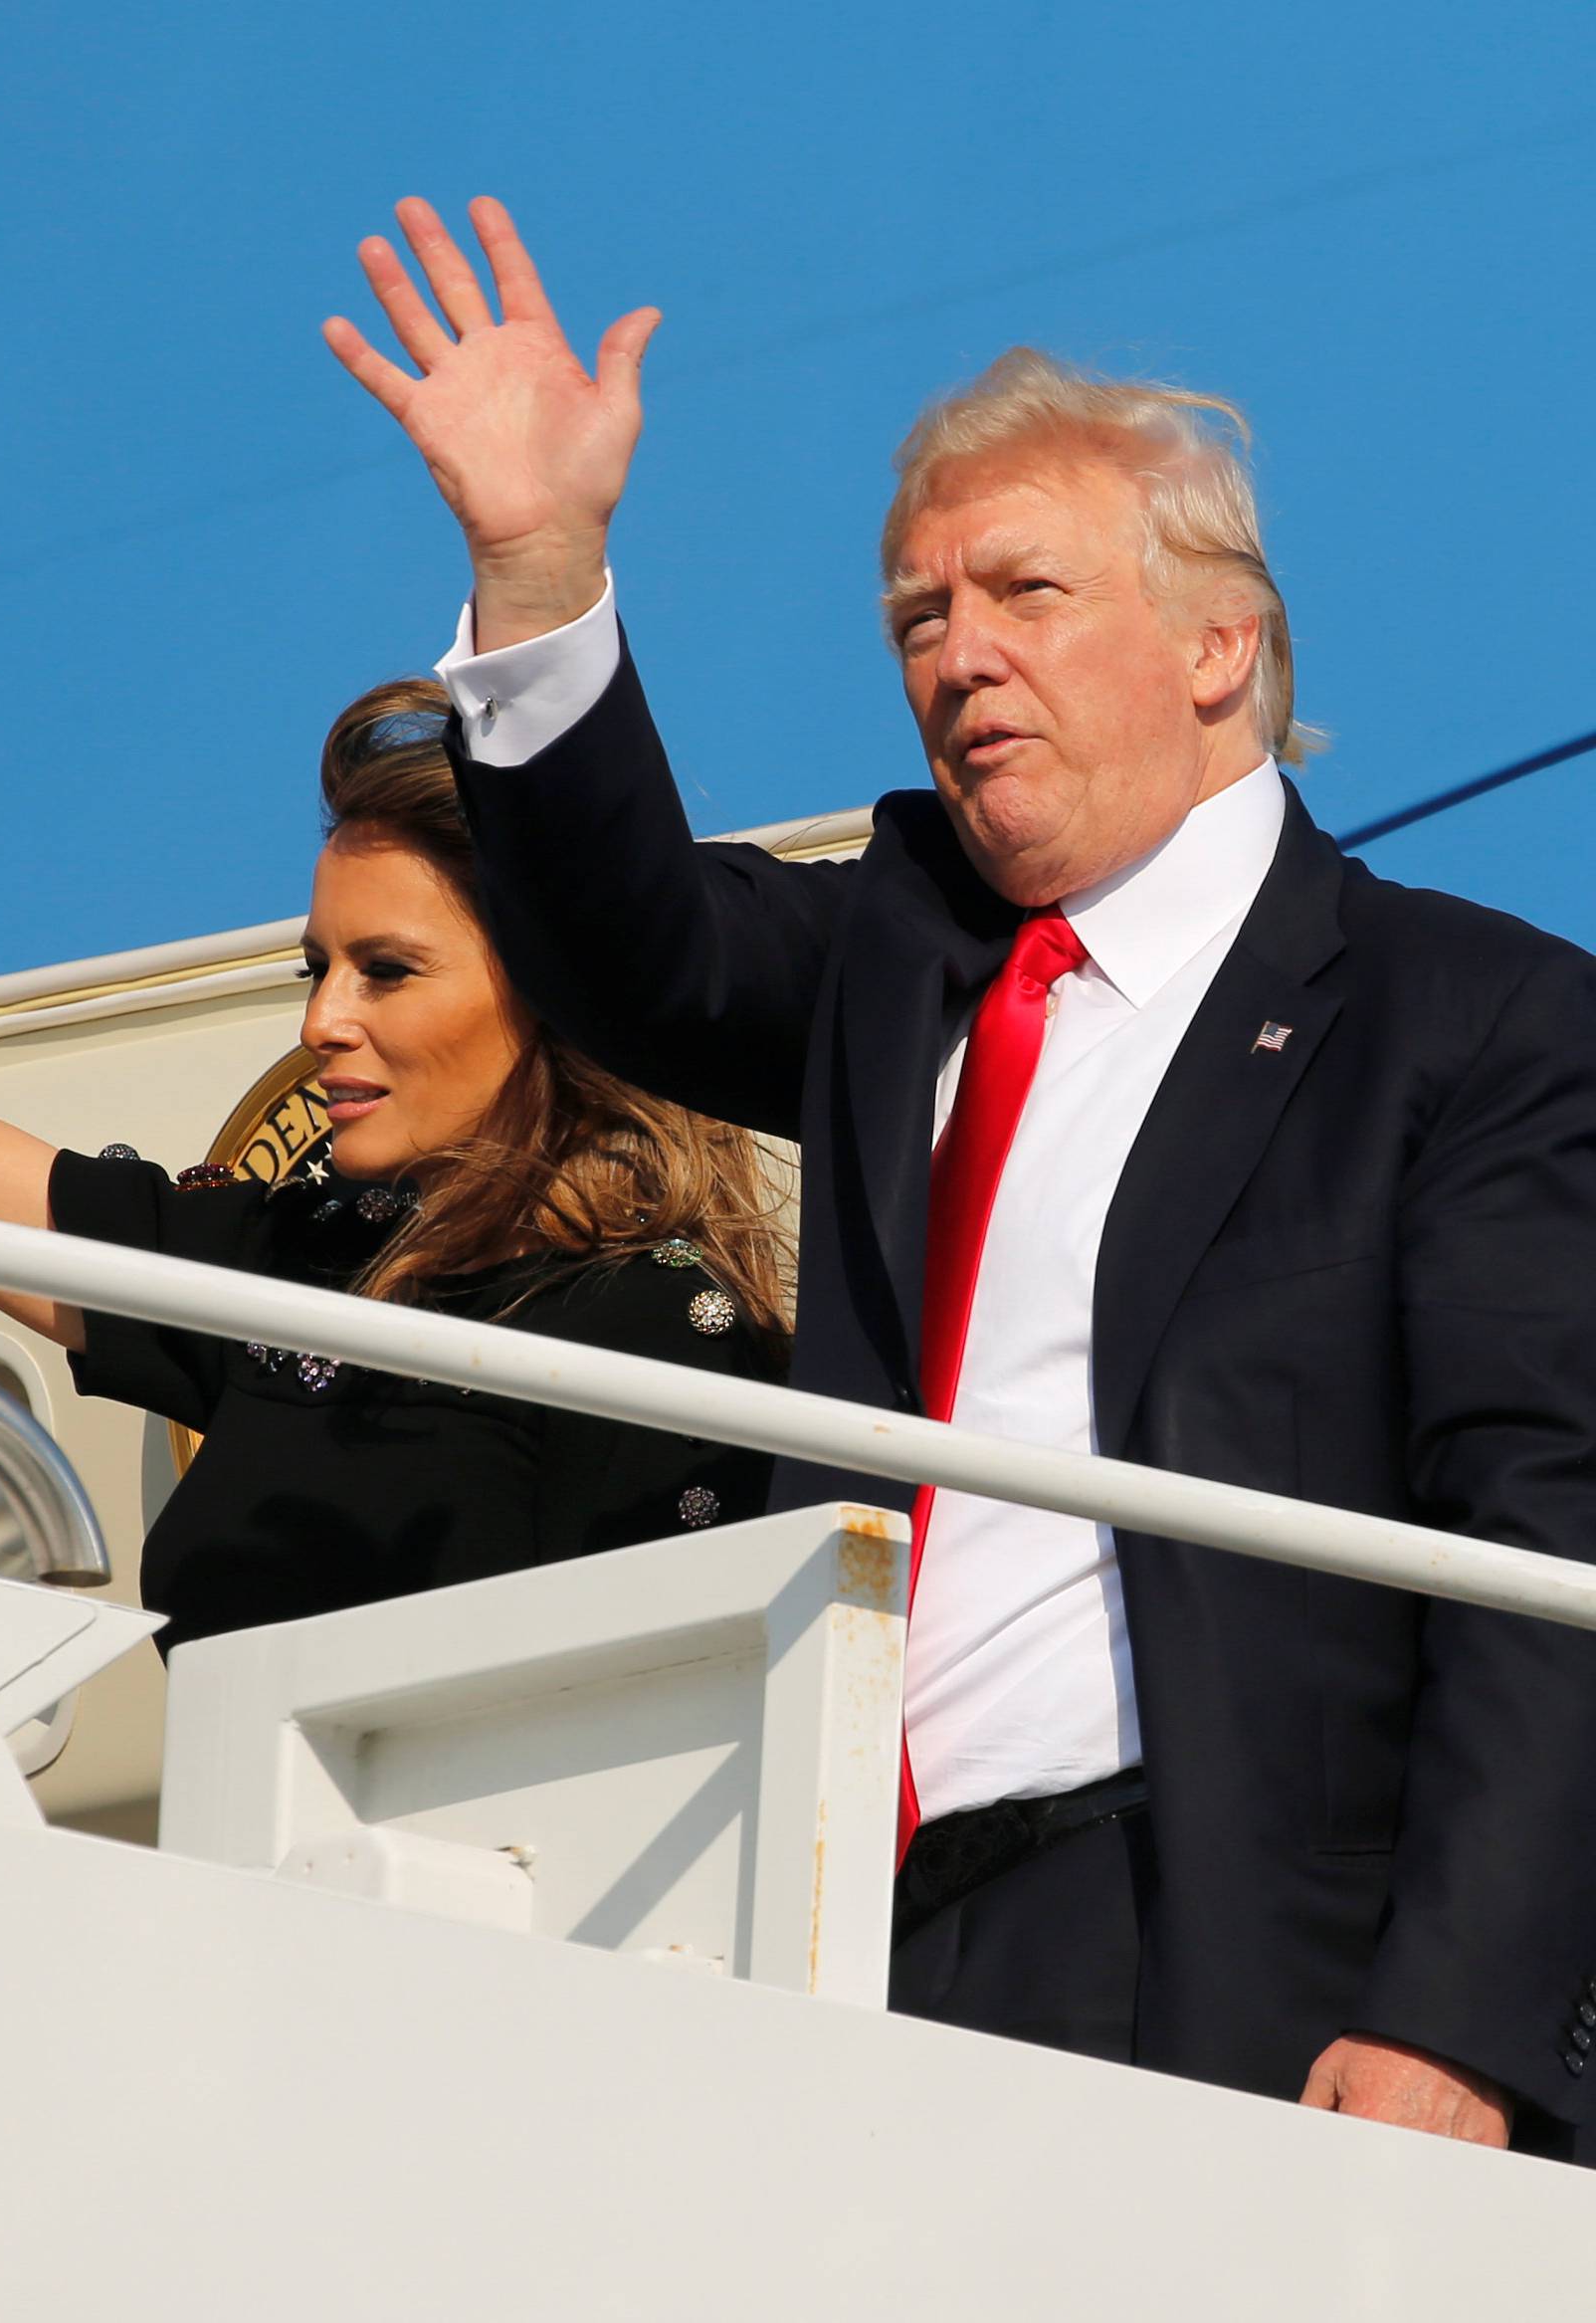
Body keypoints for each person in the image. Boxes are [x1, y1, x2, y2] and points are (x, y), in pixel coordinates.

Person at [321, 195, 1596, 2157]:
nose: (959, 654)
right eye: (921, 615)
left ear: (1214, 646)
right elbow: (628, 942)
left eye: (1023, 593)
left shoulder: (1469, 1019)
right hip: (845, 1940)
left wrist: (1462, 2021)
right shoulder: (899, 952)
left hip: (1232, 1950)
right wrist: (538, 562)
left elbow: (1543, 1543)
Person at [0, 676, 787, 1654]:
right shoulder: (287, 1260)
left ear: (561, 993)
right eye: (318, 968)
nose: (321, 1020)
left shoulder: (663, 1328)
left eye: (387, 971)